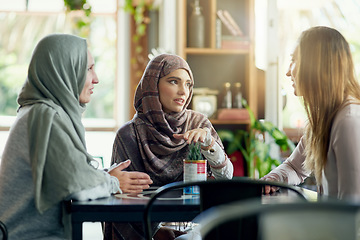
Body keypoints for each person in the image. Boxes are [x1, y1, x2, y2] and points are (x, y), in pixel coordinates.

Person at [0, 33, 152, 239]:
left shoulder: (38, 111)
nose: (96, 78)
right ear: (64, 70)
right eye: (88, 68)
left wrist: (106, 176)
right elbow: (76, 187)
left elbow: (69, 174)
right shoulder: (46, 116)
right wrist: (113, 182)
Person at [104, 54, 234, 240]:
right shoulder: (129, 134)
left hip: (198, 227)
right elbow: (121, 201)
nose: (184, 91)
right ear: (153, 85)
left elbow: (226, 177)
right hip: (147, 233)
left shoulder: (199, 124)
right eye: (174, 82)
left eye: (188, 84)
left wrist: (209, 144)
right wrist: (157, 232)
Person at [262, 26, 360, 201]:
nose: (287, 71)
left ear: (317, 65)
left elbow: (353, 209)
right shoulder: (323, 119)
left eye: (294, 60)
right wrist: (274, 179)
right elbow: (295, 168)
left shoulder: (349, 121)